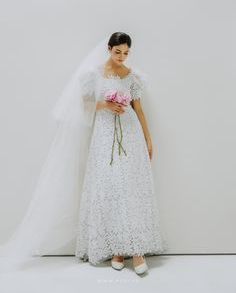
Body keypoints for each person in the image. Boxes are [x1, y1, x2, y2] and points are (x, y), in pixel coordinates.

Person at [0, 32, 168, 275]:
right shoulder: (93, 75)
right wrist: (105, 104)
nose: (121, 56)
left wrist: (148, 138)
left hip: (130, 133)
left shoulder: (133, 77)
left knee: (131, 187)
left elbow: (139, 110)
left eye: (126, 52)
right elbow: (82, 105)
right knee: (110, 187)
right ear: (109, 49)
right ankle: (117, 248)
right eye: (117, 51)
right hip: (104, 133)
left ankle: (137, 249)